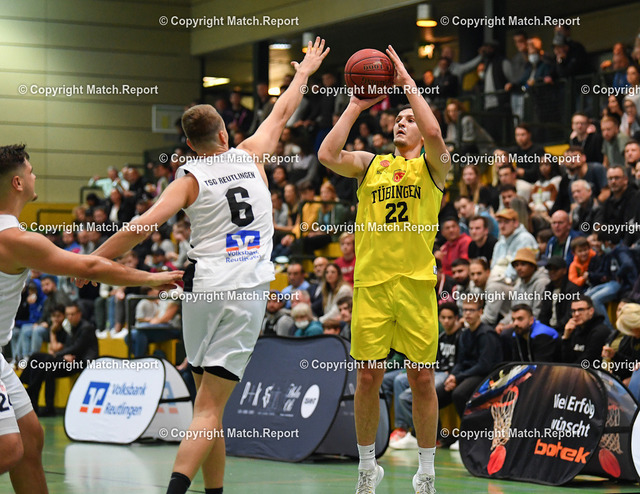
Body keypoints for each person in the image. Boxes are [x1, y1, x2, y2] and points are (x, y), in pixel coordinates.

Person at [79, 38, 329, 494]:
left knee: (206, 405)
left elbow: (140, 227)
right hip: (244, 292)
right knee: (210, 409)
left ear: (191, 145)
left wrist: (94, 260)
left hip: (200, 289)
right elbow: (282, 111)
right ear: (225, 135)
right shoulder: (251, 154)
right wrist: (303, 72)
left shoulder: (188, 178)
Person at [0, 144, 182, 494]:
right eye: (31, 171)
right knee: (8, 449)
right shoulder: (16, 239)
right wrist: (151, 278)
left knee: (30, 439)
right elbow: (90, 266)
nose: (35, 175)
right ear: (18, 183)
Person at [318, 45, 449, 494]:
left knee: (422, 379)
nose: (401, 122)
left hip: (416, 286)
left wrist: (408, 85)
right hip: (372, 286)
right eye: (397, 118)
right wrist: (356, 105)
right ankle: (366, 469)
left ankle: (426, 472)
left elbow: (434, 129)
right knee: (368, 377)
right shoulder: (371, 164)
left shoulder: (434, 169)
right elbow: (327, 154)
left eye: (409, 119)